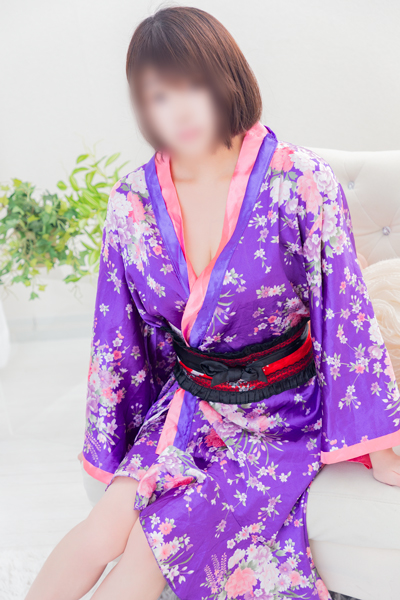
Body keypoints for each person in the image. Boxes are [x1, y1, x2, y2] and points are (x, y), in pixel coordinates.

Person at [26, 6, 400, 600]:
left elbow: (345, 316)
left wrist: (379, 448)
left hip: (277, 416)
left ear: (227, 78)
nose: (178, 111)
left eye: (193, 87)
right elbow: (120, 336)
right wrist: (116, 441)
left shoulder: (299, 180)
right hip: (189, 403)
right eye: (158, 96)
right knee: (103, 528)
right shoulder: (132, 201)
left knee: (148, 551)